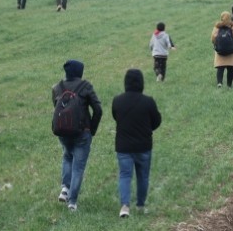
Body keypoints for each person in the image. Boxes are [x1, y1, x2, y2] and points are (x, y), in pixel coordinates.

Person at [52, 60, 103, 212]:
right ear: (79, 71)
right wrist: (91, 129)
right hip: (82, 132)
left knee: (67, 157)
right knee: (78, 167)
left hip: (62, 131)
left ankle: (65, 189)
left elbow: (56, 107)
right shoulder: (85, 86)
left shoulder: (57, 87)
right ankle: (72, 202)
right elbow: (98, 109)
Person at [112, 69, 162, 218]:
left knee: (125, 175)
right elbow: (157, 121)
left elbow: (116, 117)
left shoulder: (117, 101)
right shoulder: (148, 101)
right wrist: (147, 128)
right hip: (143, 145)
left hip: (123, 146)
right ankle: (140, 205)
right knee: (143, 177)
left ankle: (125, 206)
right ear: (142, 83)